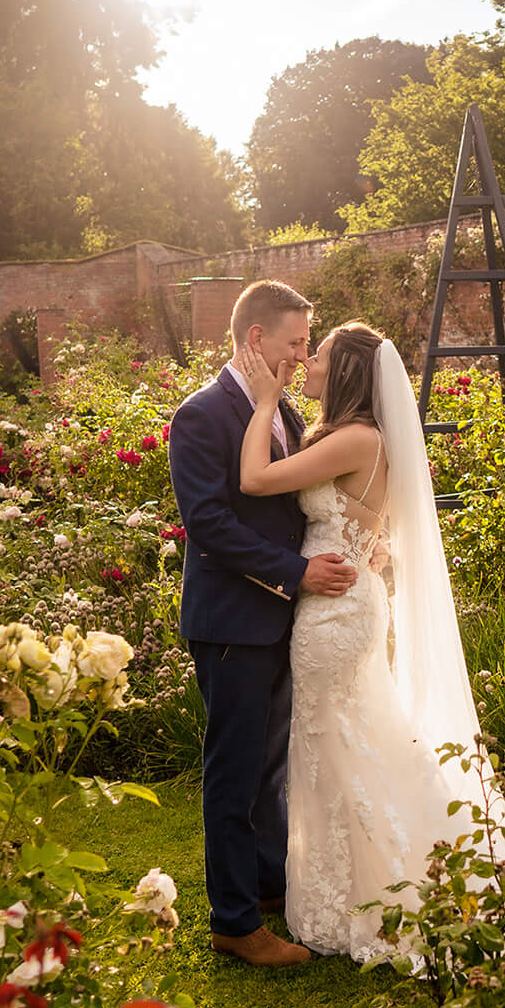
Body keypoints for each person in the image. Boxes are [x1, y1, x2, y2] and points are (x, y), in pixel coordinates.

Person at [231, 319, 505, 962]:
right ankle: (372, 878)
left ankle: (368, 892)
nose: (307, 361)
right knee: (353, 737)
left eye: (318, 354)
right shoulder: (367, 440)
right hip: (348, 601)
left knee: (333, 746)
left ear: (347, 371)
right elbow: (375, 517)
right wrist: (371, 544)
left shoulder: (352, 438)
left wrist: (266, 401)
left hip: (332, 614)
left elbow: (253, 481)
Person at [168, 281, 357, 969]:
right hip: (231, 622)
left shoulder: (287, 414)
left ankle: (268, 885)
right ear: (256, 340)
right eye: (296, 342)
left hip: (279, 618)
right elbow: (209, 526)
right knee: (234, 771)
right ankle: (234, 921)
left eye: (309, 343)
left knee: (270, 766)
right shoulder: (201, 415)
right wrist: (297, 572)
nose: (304, 355)